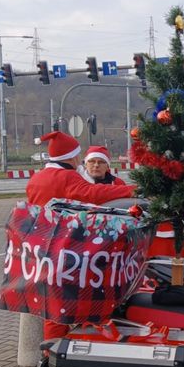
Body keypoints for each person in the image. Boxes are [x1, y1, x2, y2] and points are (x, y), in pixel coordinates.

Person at [26, 131, 134, 340]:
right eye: (77, 156)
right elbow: (93, 193)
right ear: (70, 157)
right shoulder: (66, 176)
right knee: (77, 303)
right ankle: (66, 355)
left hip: (44, 247)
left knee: (53, 305)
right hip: (68, 250)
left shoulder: (37, 178)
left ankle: (50, 357)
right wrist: (132, 190)